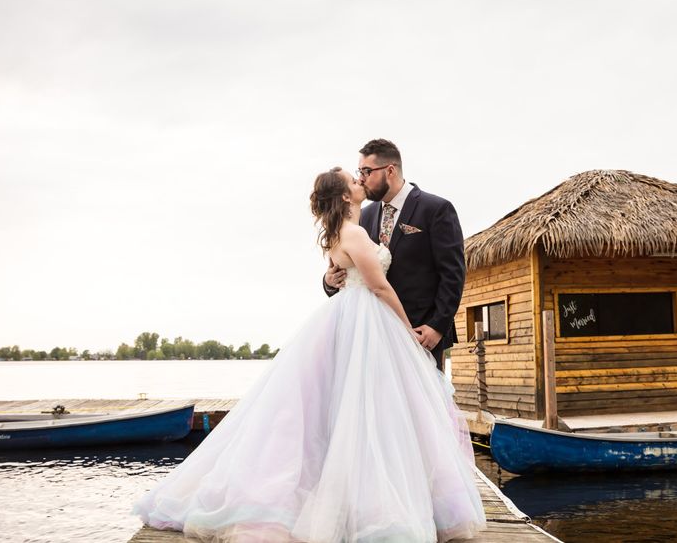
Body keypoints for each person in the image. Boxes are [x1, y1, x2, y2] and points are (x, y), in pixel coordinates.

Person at [132, 167, 486, 543]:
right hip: (368, 321)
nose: (360, 180)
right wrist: (407, 333)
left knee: (352, 410)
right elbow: (380, 287)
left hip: (351, 321)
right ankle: (368, 503)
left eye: (362, 172)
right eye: (354, 178)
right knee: (367, 409)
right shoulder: (354, 230)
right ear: (346, 197)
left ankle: (354, 494)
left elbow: (346, 272)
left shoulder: (340, 233)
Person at [324, 139, 465, 372]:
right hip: (372, 334)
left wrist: (438, 326)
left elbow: (453, 274)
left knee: (424, 406)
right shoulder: (363, 216)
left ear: (390, 170)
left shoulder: (435, 209)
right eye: (359, 172)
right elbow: (351, 268)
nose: (361, 178)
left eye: (367, 171)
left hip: (421, 334)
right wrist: (329, 282)